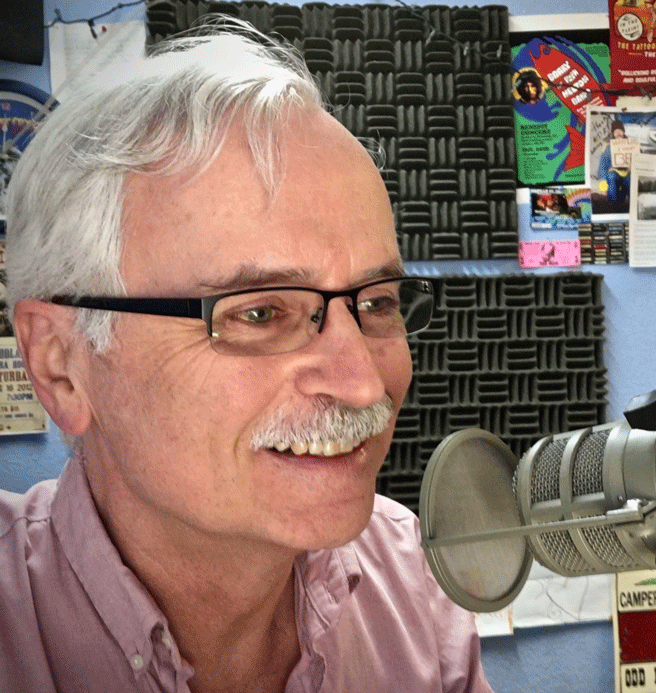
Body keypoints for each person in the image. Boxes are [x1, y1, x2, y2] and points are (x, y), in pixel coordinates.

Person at [0, 20, 493, 693]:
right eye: (259, 313)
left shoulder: (410, 579)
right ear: (61, 363)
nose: (361, 384)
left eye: (376, 301)